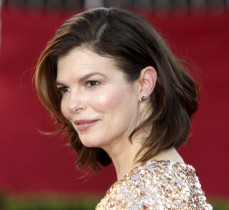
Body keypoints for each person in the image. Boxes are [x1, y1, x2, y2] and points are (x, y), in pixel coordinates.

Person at [35, 7, 212, 209]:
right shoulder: (171, 181)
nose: (71, 105)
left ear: (144, 83)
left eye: (92, 83)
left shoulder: (140, 201)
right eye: (64, 89)